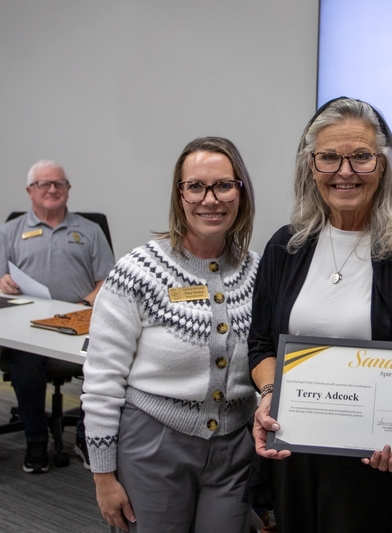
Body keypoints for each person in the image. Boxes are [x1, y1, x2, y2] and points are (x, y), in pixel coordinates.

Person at [248, 97, 392, 532]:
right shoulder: (286, 246)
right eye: (329, 158)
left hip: (370, 458)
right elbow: (261, 344)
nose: (345, 171)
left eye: (361, 157)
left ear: (384, 165)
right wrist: (268, 395)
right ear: (310, 165)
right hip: (293, 449)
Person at [80, 137, 260, 532]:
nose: (210, 199)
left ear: (241, 193)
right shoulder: (138, 271)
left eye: (223, 185)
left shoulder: (258, 272)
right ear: (179, 196)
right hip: (153, 444)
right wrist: (103, 476)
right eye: (195, 186)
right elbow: (102, 379)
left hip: (234, 447)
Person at [0, 159, 115, 473]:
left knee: (106, 362)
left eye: (59, 184)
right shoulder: (9, 231)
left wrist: (84, 303)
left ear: (68, 190)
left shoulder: (89, 230)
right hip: (27, 326)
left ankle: (85, 437)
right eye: (44, 184)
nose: (52, 189)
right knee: (25, 363)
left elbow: (107, 281)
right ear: (30, 190)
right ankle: (36, 440)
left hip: (78, 322)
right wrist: (2, 282)